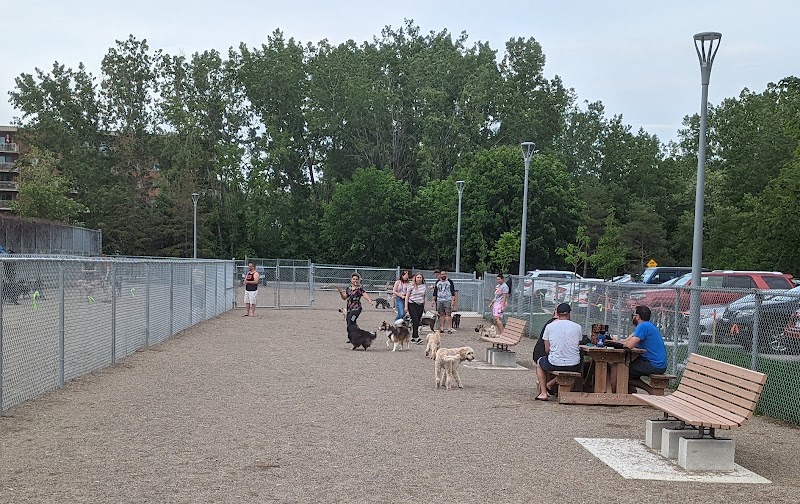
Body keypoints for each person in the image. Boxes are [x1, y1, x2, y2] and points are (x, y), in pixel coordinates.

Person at [611, 305, 668, 394]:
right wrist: (614, 341)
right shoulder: (648, 325)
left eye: (633, 315)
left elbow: (629, 345)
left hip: (654, 364)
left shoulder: (643, 326)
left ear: (637, 317)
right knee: (625, 366)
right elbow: (626, 341)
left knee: (620, 368)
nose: (632, 317)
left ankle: (614, 393)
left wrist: (613, 343)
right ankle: (630, 390)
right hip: (658, 363)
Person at [535, 303, 582, 401]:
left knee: (539, 363)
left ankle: (544, 393)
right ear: (569, 314)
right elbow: (578, 345)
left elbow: (547, 349)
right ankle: (550, 384)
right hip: (574, 365)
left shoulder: (550, 326)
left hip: (554, 363)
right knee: (575, 365)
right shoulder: (578, 327)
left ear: (556, 313)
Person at [405, 273, 427, 344]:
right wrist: (406, 306)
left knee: (417, 321)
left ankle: (414, 336)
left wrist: (424, 306)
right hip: (412, 303)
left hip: (420, 304)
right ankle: (416, 336)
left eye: (420, 277)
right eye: (418, 277)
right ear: (415, 278)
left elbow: (424, 297)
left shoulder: (423, 286)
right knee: (415, 320)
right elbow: (407, 296)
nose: (419, 279)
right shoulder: (411, 285)